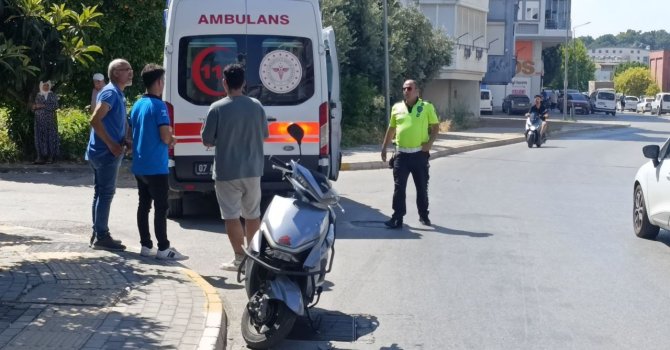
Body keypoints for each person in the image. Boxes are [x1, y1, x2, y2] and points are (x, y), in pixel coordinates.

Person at [201, 63, 269, 271]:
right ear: (244, 83)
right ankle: (254, 257)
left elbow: (207, 140)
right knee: (252, 214)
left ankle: (239, 259)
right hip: (253, 169)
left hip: (226, 171)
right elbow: (265, 134)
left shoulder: (217, 108)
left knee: (231, 215)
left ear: (224, 82)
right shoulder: (257, 105)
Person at [129, 63, 187, 260]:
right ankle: (163, 248)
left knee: (143, 205)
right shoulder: (159, 106)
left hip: (140, 164)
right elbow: (164, 136)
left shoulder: (137, 104)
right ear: (159, 82)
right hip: (156, 165)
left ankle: (146, 245)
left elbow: (130, 133)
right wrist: (172, 138)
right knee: (161, 207)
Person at [86, 59, 133, 251]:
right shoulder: (111, 92)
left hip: (103, 151)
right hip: (105, 153)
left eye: (131, 69)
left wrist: (123, 140)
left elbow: (112, 122)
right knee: (105, 193)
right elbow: (95, 120)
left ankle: (98, 232)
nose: (131, 72)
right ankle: (102, 236)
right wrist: (112, 144)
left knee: (101, 192)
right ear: (115, 74)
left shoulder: (116, 93)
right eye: (126, 69)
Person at [380, 80, 439, 229]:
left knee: (421, 187)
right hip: (401, 155)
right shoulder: (397, 108)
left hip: (419, 154)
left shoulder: (426, 107)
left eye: (409, 88)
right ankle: (397, 217)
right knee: (399, 188)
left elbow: (435, 127)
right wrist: (384, 147)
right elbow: (391, 128)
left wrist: (430, 143)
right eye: (404, 88)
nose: (406, 91)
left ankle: (424, 215)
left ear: (417, 91)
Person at [32, 81, 60, 164]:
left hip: (50, 120)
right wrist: (35, 107)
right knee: (40, 137)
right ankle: (40, 157)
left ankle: (50, 157)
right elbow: (34, 107)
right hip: (39, 120)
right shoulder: (38, 95)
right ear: (41, 86)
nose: (46, 87)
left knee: (50, 137)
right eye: (44, 86)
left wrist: (43, 106)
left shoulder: (52, 95)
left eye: (47, 86)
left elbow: (55, 106)